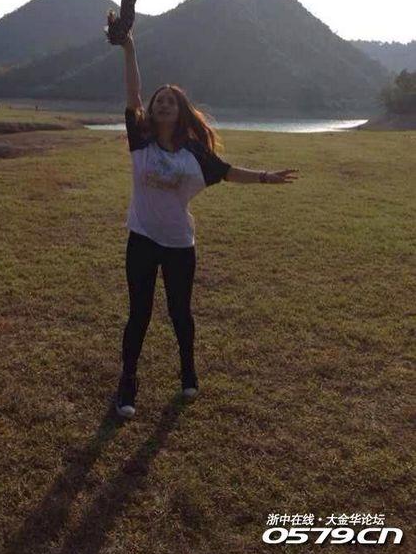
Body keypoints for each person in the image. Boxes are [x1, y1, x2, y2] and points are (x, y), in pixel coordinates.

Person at [114, 24, 299, 418]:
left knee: (180, 312)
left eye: (170, 101)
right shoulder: (140, 140)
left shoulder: (194, 153)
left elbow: (228, 172)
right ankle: (128, 381)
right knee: (139, 313)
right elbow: (133, 93)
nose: (163, 104)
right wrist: (129, 48)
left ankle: (188, 370)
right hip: (142, 239)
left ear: (181, 111)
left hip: (179, 244)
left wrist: (265, 177)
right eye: (159, 100)